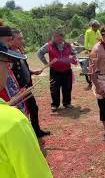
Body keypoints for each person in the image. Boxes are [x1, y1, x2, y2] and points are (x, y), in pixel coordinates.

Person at [0, 23, 53, 177]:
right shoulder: (12, 123)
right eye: (4, 60)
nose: (8, 64)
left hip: (19, 93)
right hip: (13, 103)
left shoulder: (19, 52)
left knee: (33, 111)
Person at [9, 30, 51, 138]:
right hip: (17, 90)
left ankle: (36, 131)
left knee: (33, 108)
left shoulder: (19, 51)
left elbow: (23, 68)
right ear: (11, 40)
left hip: (27, 87)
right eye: (19, 39)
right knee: (22, 113)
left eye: (22, 38)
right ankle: (26, 135)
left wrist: (32, 71)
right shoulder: (8, 55)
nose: (22, 41)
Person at [37, 29, 77, 112]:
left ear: (62, 37)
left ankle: (67, 103)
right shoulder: (48, 45)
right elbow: (39, 53)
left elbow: (73, 53)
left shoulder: (67, 45)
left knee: (67, 87)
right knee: (54, 88)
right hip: (55, 71)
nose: (55, 38)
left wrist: (74, 57)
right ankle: (55, 105)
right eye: (54, 36)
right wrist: (46, 63)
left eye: (57, 36)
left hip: (67, 70)